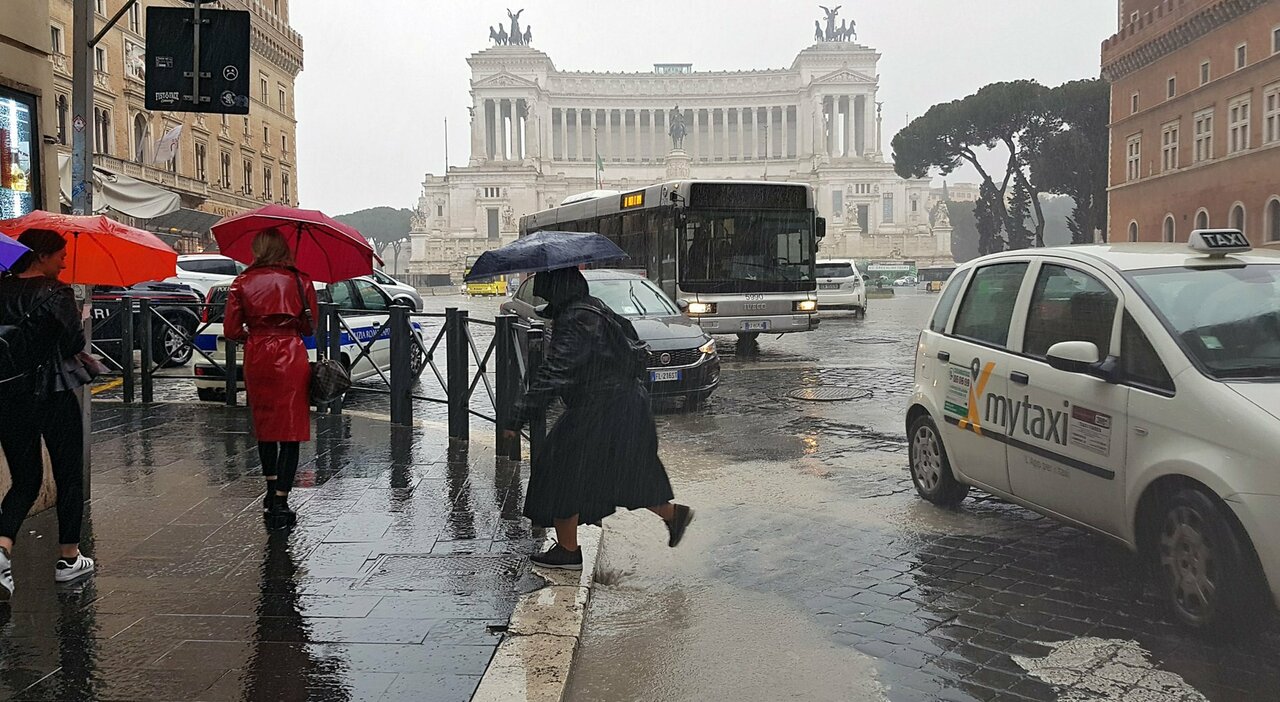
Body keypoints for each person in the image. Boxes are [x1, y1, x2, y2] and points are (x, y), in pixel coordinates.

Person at [503, 267, 694, 570]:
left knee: (558, 468)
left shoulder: (577, 319)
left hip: (602, 406)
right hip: (625, 403)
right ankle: (672, 515)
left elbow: (557, 370)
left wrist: (518, 416)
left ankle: (568, 551)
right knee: (624, 471)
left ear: (556, 292)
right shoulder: (594, 308)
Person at [0, 229, 96, 599]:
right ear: (41, 256)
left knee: (25, 479)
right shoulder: (56, 293)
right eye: (60, 255)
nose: (64, 262)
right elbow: (74, 343)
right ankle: (68, 559)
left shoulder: (2, 288)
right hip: (53, 392)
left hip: (9, 395)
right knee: (68, 473)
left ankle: (3, 548)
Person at [223, 230, 318, 530]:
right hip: (291, 354)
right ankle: (281, 499)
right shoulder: (301, 280)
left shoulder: (242, 282)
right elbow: (309, 326)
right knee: (291, 429)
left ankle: (269, 490)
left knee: (265, 425)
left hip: (258, 355)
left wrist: (254, 333)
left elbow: (231, 329)